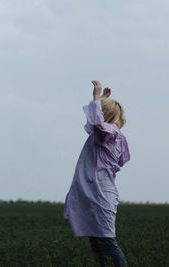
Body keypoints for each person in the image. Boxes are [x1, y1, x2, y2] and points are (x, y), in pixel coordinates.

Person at [64, 80, 130, 267]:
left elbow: (98, 125)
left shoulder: (111, 133)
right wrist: (99, 100)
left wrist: (95, 97)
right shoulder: (103, 134)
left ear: (105, 115)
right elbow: (94, 124)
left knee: (107, 243)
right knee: (98, 244)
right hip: (93, 193)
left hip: (101, 195)